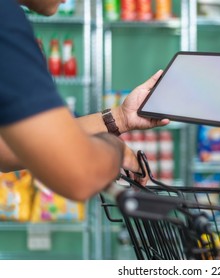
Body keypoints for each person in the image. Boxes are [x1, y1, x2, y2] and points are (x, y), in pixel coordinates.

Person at [0, 0, 170, 201]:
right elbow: (79, 174)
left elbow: (8, 149)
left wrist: (121, 118)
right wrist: (117, 150)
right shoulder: (5, 20)